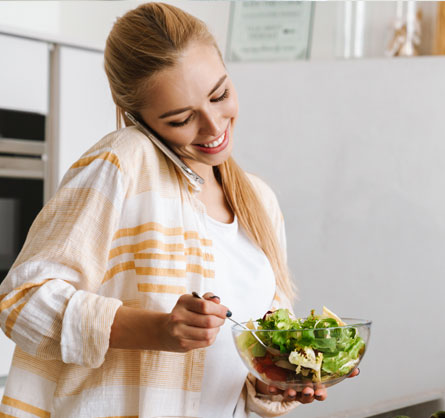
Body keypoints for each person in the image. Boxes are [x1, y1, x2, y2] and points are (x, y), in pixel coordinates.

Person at [0, 3, 356, 417]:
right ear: (139, 117)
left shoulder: (260, 201)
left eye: (220, 94)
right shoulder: (123, 161)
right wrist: (158, 329)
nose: (213, 127)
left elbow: (243, 367)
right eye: (181, 119)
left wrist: (276, 380)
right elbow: (22, 300)